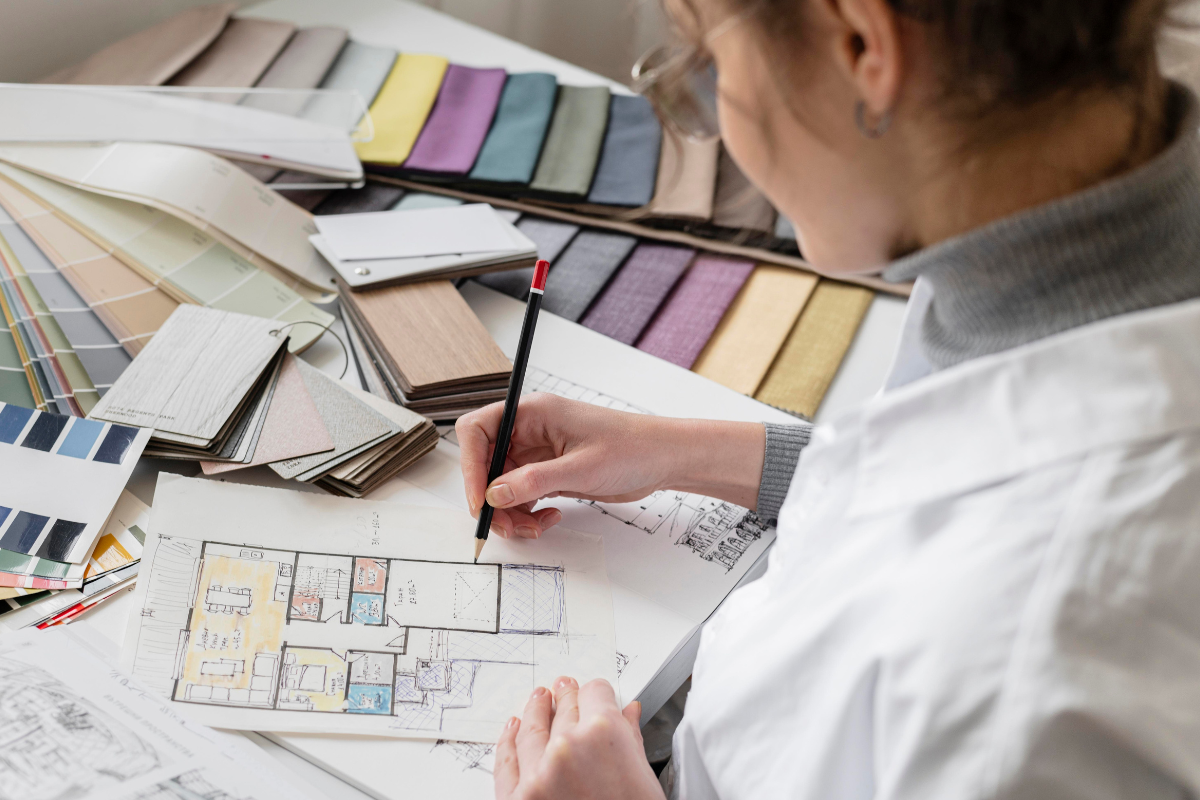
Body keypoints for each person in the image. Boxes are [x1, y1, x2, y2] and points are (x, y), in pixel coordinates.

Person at [456, 0, 1200, 796]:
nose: (714, 129)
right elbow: (935, 460)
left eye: (706, 62)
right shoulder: (1037, 255)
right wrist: (669, 448)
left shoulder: (1023, 693)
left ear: (862, 44)